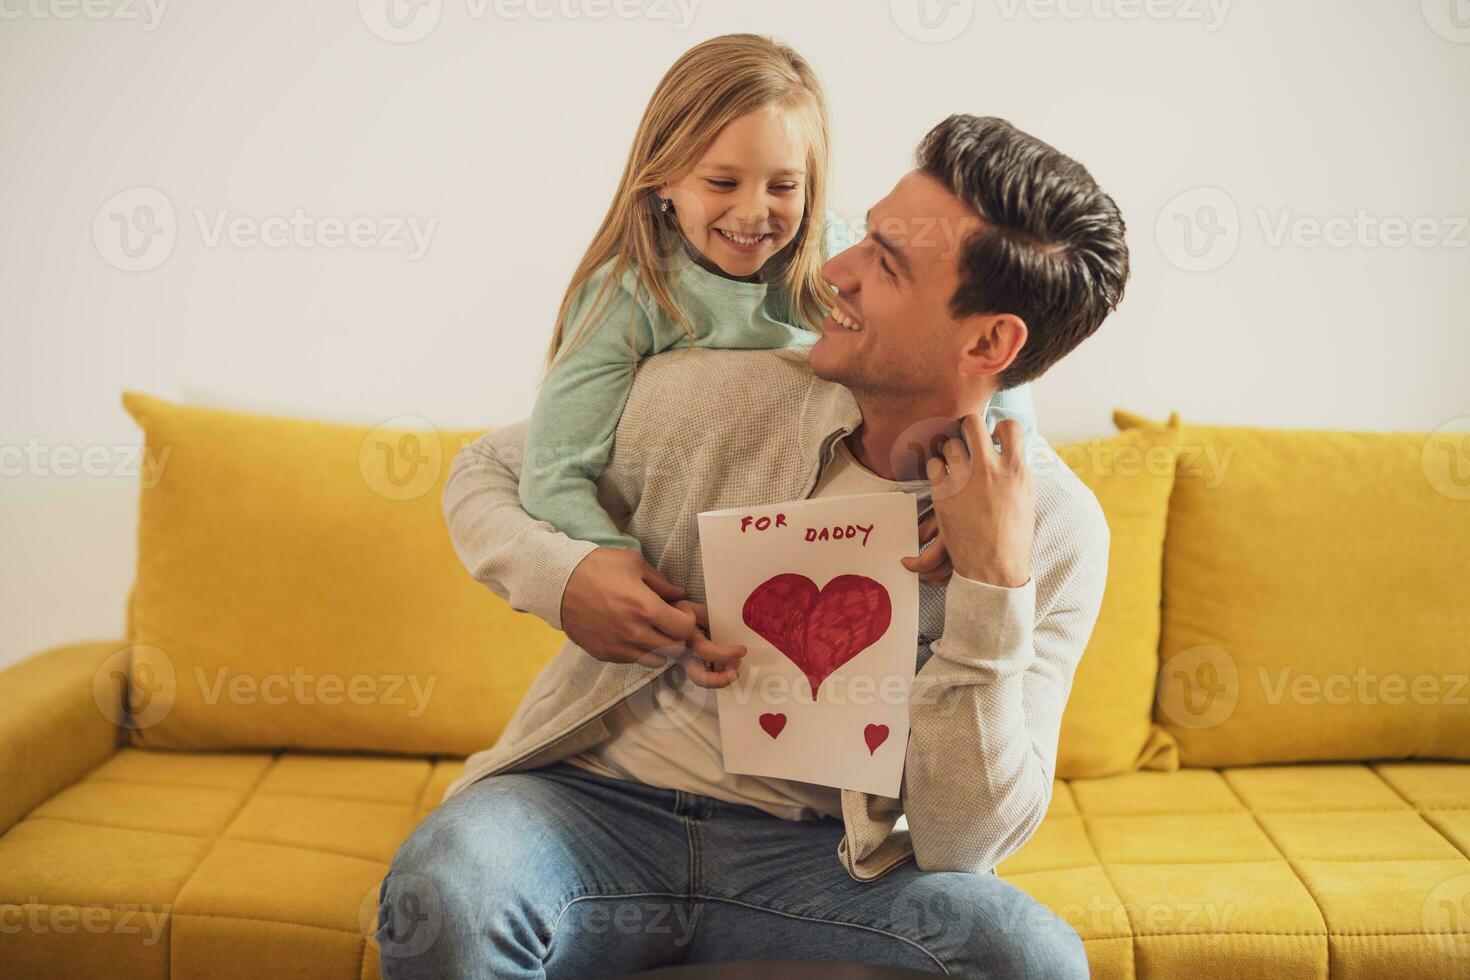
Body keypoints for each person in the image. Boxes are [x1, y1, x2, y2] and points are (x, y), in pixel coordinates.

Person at [379, 106, 1126, 978]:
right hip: (588, 811)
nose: (831, 269)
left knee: (1031, 959)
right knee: (442, 889)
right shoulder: (720, 392)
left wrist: (993, 590)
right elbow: (488, 468)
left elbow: (967, 837)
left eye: (884, 264)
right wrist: (565, 573)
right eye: (862, 236)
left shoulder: (1057, 534)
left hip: (826, 864)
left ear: (991, 341)